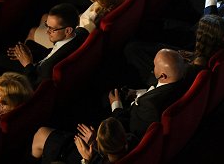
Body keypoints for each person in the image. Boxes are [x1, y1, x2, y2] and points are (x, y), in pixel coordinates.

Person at [32, 49, 190, 160]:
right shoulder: (182, 80)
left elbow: (127, 131)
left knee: (44, 133)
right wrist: (140, 93)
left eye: (154, 65)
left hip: (107, 147)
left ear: (162, 75)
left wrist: (116, 107)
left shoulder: (149, 107)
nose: (151, 67)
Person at [0, 3, 88, 87]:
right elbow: (55, 51)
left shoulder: (49, 68)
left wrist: (27, 63)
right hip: (40, 60)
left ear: (68, 30)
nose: (47, 32)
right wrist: (30, 53)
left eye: (52, 29)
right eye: (47, 25)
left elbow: (33, 85)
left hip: (31, 75)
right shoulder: (81, 33)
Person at [124, 13, 224, 88]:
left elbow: (172, 79)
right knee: (157, 46)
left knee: (133, 51)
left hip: (161, 78)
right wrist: (191, 55)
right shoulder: (216, 50)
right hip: (188, 58)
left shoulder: (195, 67)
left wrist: (183, 60)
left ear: (202, 39)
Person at [29, 0, 126, 47]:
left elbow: (79, 39)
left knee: (32, 31)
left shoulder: (91, 18)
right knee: (44, 17)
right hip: (78, 24)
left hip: (69, 37)